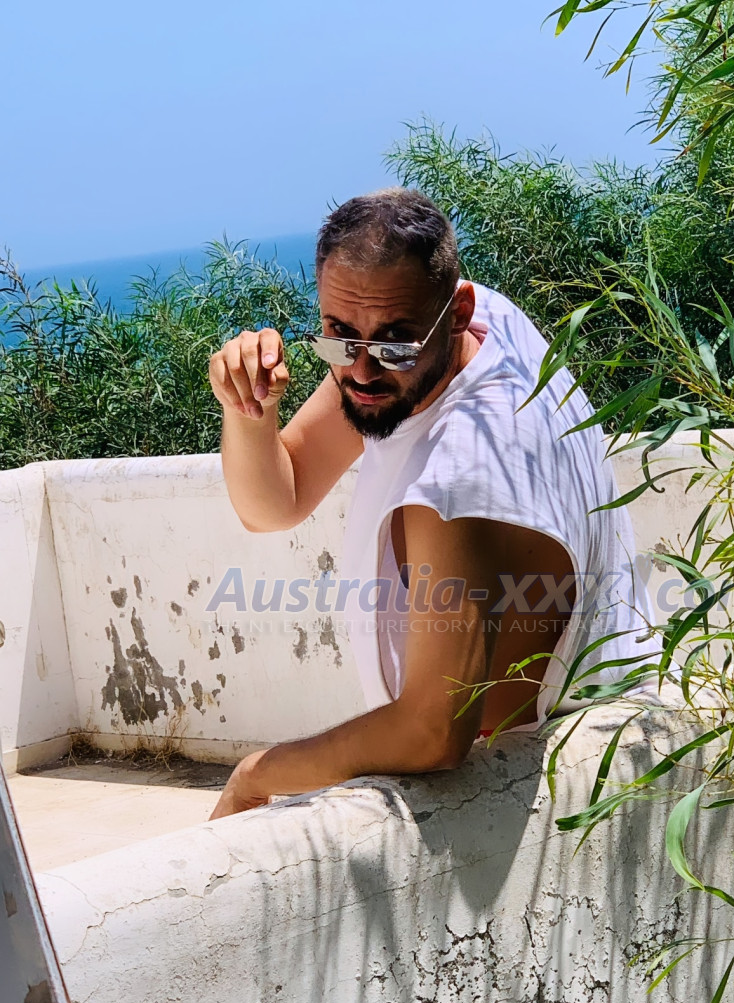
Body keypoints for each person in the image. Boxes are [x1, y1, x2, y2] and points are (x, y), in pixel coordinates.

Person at [207, 189, 658, 820]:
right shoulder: (467, 326)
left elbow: (432, 732)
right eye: (339, 338)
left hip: (553, 798)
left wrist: (256, 775)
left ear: (456, 311)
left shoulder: (459, 474)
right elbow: (275, 503)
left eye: (395, 343)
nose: (363, 372)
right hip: (595, 724)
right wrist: (248, 411)